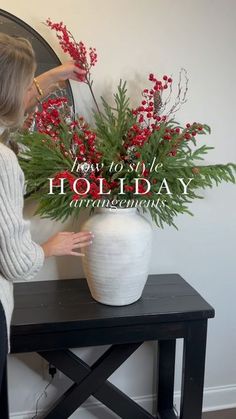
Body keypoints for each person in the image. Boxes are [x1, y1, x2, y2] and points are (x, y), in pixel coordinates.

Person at [0, 32, 93, 416]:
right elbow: (17, 264)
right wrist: (49, 248)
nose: (29, 94)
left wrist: (52, 77)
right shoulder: (3, 162)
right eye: (26, 85)